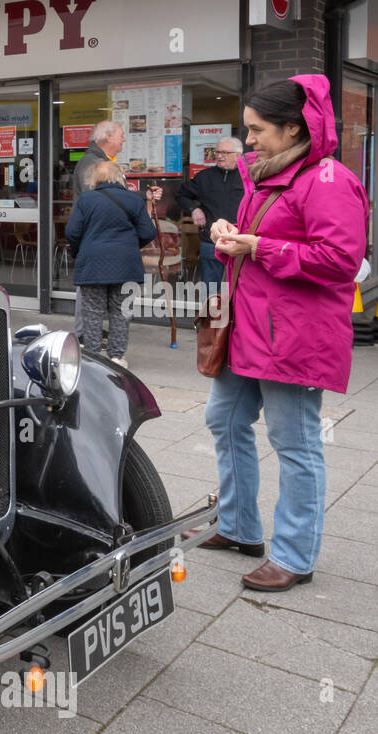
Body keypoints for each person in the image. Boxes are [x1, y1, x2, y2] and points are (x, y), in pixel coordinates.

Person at [185, 75, 368, 593]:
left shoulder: (330, 180)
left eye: (257, 130)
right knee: (223, 419)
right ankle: (241, 526)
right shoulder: (271, 175)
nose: (249, 141)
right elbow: (255, 246)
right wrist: (227, 238)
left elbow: (339, 261)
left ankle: (294, 556)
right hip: (251, 330)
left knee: (295, 442)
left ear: (293, 128)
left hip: (292, 338)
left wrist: (257, 247)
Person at [64, 161, 157, 367]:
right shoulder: (133, 199)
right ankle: (116, 357)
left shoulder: (86, 199)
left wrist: (81, 251)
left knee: (93, 313)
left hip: (93, 264)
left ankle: (92, 357)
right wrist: (131, 245)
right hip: (126, 265)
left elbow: (72, 231)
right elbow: (149, 232)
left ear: (95, 178)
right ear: (119, 177)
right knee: (121, 312)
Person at [71, 121, 125, 344]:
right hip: (92, 234)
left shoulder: (100, 161)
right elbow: (97, 199)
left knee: (93, 286)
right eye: (121, 135)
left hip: (96, 234)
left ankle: (88, 331)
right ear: (109, 137)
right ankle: (83, 333)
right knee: (88, 287)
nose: (123, 139)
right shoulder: (91, 163)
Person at [176, 137, 245, 286]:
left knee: (241, 287)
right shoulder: (204, 177)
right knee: (210, 288)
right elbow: (181, 195)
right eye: (218, 152)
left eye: (225, 152)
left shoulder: (249, 177)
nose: (219, 156)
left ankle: (233, 311)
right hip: (211, 242)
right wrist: (194, 209)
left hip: (241, 242)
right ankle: (210, 310)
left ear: (238, 155)